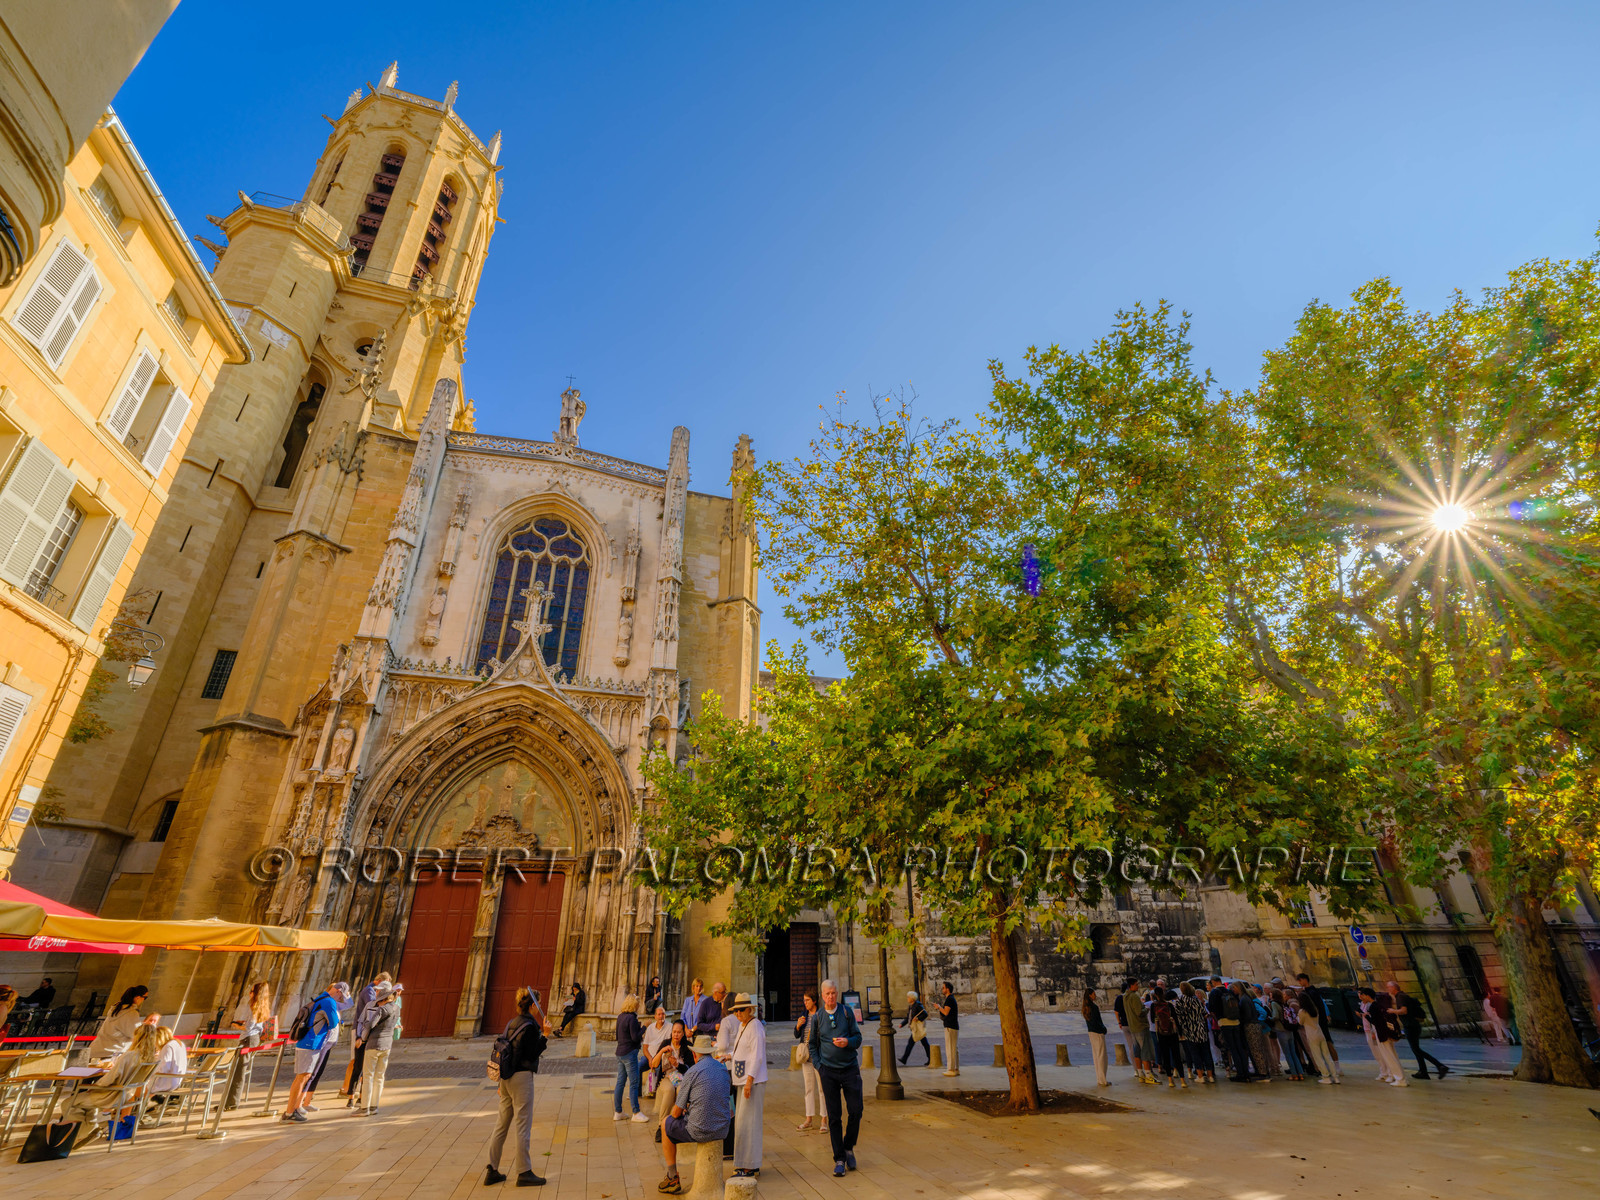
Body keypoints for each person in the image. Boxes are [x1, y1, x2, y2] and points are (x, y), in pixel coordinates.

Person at [486, 986, 552, 1187]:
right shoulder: (531, 1026)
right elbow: (532, 1053)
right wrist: (546, 1035)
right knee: (523, 1124)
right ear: (533, 1005)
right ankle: (524, 1172)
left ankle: (492, 1169)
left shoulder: (512, 1023)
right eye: (538, 1004)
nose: (539, 1006)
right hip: (521, 1078)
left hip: (506, 1077)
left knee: (502, 1124)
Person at [64, 1022, 164, 1148]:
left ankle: (83, 1132)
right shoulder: (153, 1059)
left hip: (110, 1095)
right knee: (86, 1105)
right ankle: (88, 1130)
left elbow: (110, 1079)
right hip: (127, 1095)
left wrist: (94, 1086)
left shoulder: (129, 1055)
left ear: (137, 1037)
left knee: (68, 1103)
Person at [657, 1033, 733, 1195]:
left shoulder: (692, 1071)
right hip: (723, 1128)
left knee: (665, 1124)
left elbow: (677, 1112)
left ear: (695, 1054)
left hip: (700, 1130)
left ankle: (672, 1177)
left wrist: (681, 1110)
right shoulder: (722, 1068)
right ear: (711, 1052)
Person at [808, 978, 863, 1178]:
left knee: (856, 1110)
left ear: (837, 993)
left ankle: (848, 1146)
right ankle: (839, 1158)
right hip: (828, 1072)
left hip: (850, 1069)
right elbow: (812, 1045)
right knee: (834, 1117)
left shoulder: (847, 1013)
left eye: (833, 993)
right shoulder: (818, 1018)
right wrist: (819, 1066)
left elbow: (858, 1038)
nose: (831, 996)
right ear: (822, 996)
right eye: (827, 994)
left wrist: (847, 1041)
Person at [282, 981, 347, 1121]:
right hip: (312, 1042)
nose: (340, 1000)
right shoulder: (329, 1002)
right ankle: (289, 1112)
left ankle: (293, 1109)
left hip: (307, 1041)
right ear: (339, 992)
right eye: (341, 997)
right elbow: (334, 1022)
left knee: (303, 1076)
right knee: (302, 1077)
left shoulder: (319, 998)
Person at [727, 993, 766, 1179]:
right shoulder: (743, 1025)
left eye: (741, 1010)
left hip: (751, 1082)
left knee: (748, 1123)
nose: (738, 1013)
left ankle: (749, 1166)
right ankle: (746, 1163)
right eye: (736, 1010)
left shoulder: (755, 1026)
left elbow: (757, 1056)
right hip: (742, 1080)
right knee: (742, 1123)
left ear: (750, 1009)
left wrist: (749, 1081)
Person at [1386, 980, 1448, 1080]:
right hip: (1413, 1025)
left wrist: (1393, 1011)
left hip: (1411, 1026)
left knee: (1417, 1050)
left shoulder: (1400, 997)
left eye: (1389, 987)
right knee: (1416, 1050)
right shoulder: (1401, 996)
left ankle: (1440, 1066)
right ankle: (1423, 1071)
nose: (1388, 989)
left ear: (1394, 988)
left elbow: (1404, 1011)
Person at [346, 972, 391, 1106]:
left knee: (367, 1070)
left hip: (374, 1040)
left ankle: (363, 1098)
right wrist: (360, 1037)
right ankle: (352, 1098)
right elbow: (364, 1021)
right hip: (367, 1038)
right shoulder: (370, 1000)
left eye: (378, 991)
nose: (376, 993)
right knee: (360, 1068)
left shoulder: (387, 1007)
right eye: (376, 991)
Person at [357, 981, 401, 1115]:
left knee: (368, 1076)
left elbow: (370, 1025)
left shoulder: (381, 1009)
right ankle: (374, 1106)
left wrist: (363, 1036)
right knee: (379, 1077)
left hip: (374, 1044)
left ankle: (364, 1107)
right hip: (387, 1045)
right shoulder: (396, 1008)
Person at [650, 1018, 695, 1141]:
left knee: (681, 1089)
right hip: (667, 1077)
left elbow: (691, 1070)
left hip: (682, 1078)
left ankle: (679, 1124)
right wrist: (662, 1052)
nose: (676, 1035)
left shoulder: (688, 1047)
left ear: (683, 1033)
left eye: (679, 1032)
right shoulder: (666, 1043)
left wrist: (677, 1065)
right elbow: (654, 1064)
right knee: (669, 1090)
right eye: (674, 1032)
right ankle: (661, 1125)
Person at [1294, 983, 1341, 1083]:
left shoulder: (1302, 1011)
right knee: (1327, 1056)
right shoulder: (1314, 1009)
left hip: (1311, 1034)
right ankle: (1335, 1077)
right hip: (1320, 1032)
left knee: (1318, 1057)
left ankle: (1325, 1077)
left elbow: (1300, 1022)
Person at [1360, 986, 1407, 1086]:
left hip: (1382, 1033)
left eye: (1363, 995)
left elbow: (1375, 1022)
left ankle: (1400, 1078)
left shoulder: (1373, 1006)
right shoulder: (1378, 1005)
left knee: (1389, 1056)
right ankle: (1399, 1077)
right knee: (1392, 1055)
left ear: (1367, 996)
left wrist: (1366, 1016)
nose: (1362, 997)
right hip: (1385, 1033)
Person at [793, 987, 826, 1132]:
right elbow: (796, 1034)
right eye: (804, 1000)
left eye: (807, 1000)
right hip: (806, 1057)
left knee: (822, 1089)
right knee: (808, 1088)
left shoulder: (821, 1014)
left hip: (819, 1057)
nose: (805, 1003)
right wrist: (798, 1025)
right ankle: (809, 1119)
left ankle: (824, 1120)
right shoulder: (804, 1014)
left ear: (814, 1000)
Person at [88, 984, 148, 1060]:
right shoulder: (131, 1013)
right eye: (145, 998)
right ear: (138, 997)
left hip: (96, 1050)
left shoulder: (116, 1009)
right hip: (111, 1054)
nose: (143, 1000)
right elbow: (135, 1034)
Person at [613, 993, 648, 1121]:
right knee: (634, 1083)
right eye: (638, 1003)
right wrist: (644, 1027)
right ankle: (636, 1112)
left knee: (620, 1082)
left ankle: (618, 1112)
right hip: (629, 1053)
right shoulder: (632, 1018)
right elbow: (635, 1037)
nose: (639, 1006)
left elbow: (617, 1036)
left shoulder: (620, 1017)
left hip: (620, 1052)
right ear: (634, 1004)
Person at [1175, 982, 1214, 1084]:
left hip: (1189, 1030)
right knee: (1206, 1052)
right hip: (1201, 1028)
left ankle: (1200, 1076)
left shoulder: (1180, 1000)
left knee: (1195, 1053)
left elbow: (1178, 1017)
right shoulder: (1196, 999)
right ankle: (1210, 1076)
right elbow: (1205, 1013)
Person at [1149, 985, 1185, 1087]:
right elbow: (1175, 1018)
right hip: (1172, 1033)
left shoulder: (1153, 1006)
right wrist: (1180, 1032)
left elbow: (1152, 1020)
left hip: (1161, 1033)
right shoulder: (1168, 1005)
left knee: (1165, 1056)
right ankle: (1182, 1080)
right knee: (1176, 1056)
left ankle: (1170, 1080)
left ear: (1155, 995)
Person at [1122, 981, 1155, 1084]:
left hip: (1133, 1026)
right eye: (1136, 984)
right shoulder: (1134, 996)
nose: (1138, 986)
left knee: (1137, 1051)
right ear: (1131, 986)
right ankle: (1149, 1075)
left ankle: (1140, 1073)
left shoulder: (1125, 997)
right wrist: (1146, 1009)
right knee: (1145, 1050)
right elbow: (1139, 1012)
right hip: (1140, 1026)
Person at [1269, 989, 1305, 1080]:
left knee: (1287, 1053)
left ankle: (1294, 1074)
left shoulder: (1274, 1004)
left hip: (1281, 1030)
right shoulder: (1283, 1003)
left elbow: (1275, 1016)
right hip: (1289, 1029)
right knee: (1293, 1052)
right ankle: (1300, 1073)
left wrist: (1269, 1018)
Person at [1083, 988, 1110, 1086]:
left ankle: (1100, 1078)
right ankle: (1103, 1079)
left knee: (1096, 1056)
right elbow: (1097, 1021)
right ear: (1090, 995)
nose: (1095, 996)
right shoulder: (1093, 1007)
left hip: (1091, 1032)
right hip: (1098, 1032)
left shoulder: (1085, 1007)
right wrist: (1103, 1029)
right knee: (1102, 1056)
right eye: (1094, 994)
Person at [642, 1005, 672, 1094]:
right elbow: (645, 1048)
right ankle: (637, 1092)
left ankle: (655, 1091)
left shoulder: (670, 1027)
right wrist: (650, 1059)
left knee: (658, 1068)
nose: (661, 1016)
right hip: (649, 1057)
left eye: (663, 1014)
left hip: (661, 1057)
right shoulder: (650, 1028)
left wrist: (656, 1059)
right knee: (638, 1067)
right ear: (655, 1016)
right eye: (659, 1014)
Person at [898, 990, 931, 1066]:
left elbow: (925, 1014)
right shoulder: (911, 1006)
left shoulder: (918, 1005)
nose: (907, 998)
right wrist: (902, 1024)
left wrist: (918, 1018)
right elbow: (908, 1017)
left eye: (908, 997)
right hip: (915, 1029)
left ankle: (904, 1059)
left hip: (918, 1029)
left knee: (912, 1043)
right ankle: (930, 1058)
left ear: (912, 998)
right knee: (924, 1044)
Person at [936, 981, 960, 1077]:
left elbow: (946, 1012)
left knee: (950, 1048)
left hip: (950, 1026)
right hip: (953, 1026)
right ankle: (956, 1068)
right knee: (954, 1048)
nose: (942, 989)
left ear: (947, 989)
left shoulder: (949, 999)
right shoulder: (951, 998)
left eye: (943, 988)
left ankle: (951, 1069)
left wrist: (938, 1007)